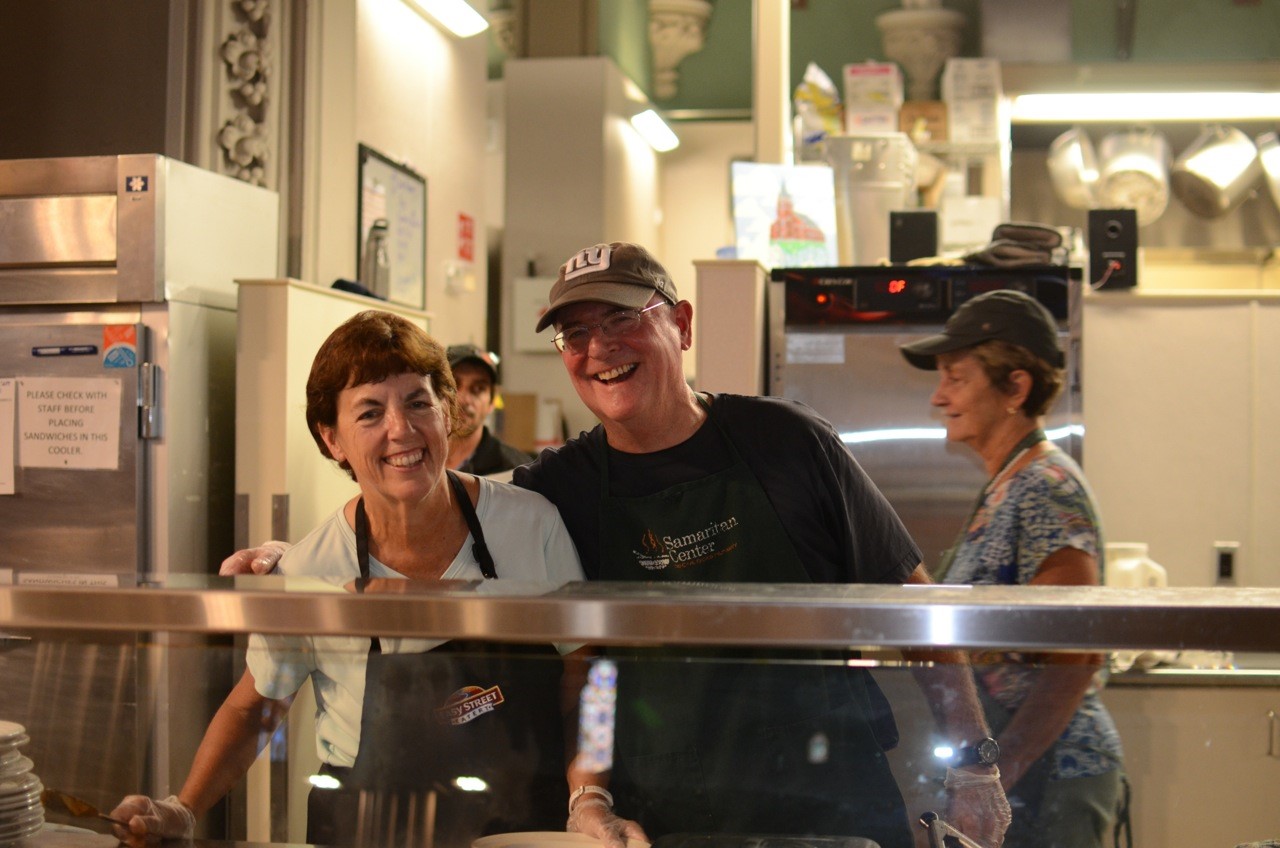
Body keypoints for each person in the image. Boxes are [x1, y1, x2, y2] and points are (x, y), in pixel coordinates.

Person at [226, 244, 1012, 848]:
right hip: (656, 818)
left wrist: (973, 762)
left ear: (682, 323)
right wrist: (297, 555)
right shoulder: (559, 488)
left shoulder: (788, 444)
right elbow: (442, 506)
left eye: (621, 319)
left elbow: (915, 605)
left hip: (825, 805)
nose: (598, 347)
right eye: (575, 332)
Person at [114, 311, 584, 848]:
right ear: (332, 438)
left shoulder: (530, 524)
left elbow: (589, 672)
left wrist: (589, 796)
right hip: (367, 830)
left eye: (417, 402)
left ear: (447, 411)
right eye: (369, 412)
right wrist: (185, 808)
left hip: (525, 828)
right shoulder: (312, 570)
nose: (400, 430)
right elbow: (255, 706)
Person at [899, 290, 1125, 848]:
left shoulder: (1046, 487)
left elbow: (1076, 655)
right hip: (1025, 770)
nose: (938, 395)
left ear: (1015, 389)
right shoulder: (1009, 485)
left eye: (956, 377)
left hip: (1055, 775)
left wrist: (999, 769)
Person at [446, 343, 535, 476]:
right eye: (453, 385)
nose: (463, 399)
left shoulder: (515, 471)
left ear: (492, 402)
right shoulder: (416, 457)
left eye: (478, 389)